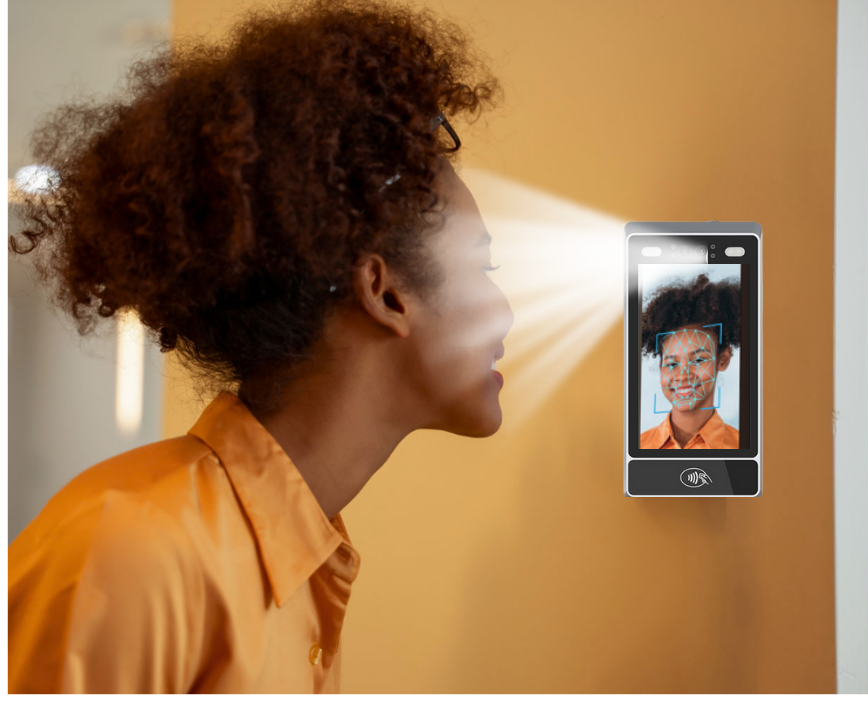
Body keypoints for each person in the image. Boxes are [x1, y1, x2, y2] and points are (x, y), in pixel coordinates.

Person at [6, 0, 511, 694]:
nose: (507, 311)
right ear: (385, 293)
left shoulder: (309, 573)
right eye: (483, 268)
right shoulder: (129, 553)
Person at [639, 274, 740, 450]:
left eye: (698, 360)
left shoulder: (741, 447)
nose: (683, 376)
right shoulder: (638, 447)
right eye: (671, 364)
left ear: (723, 359)